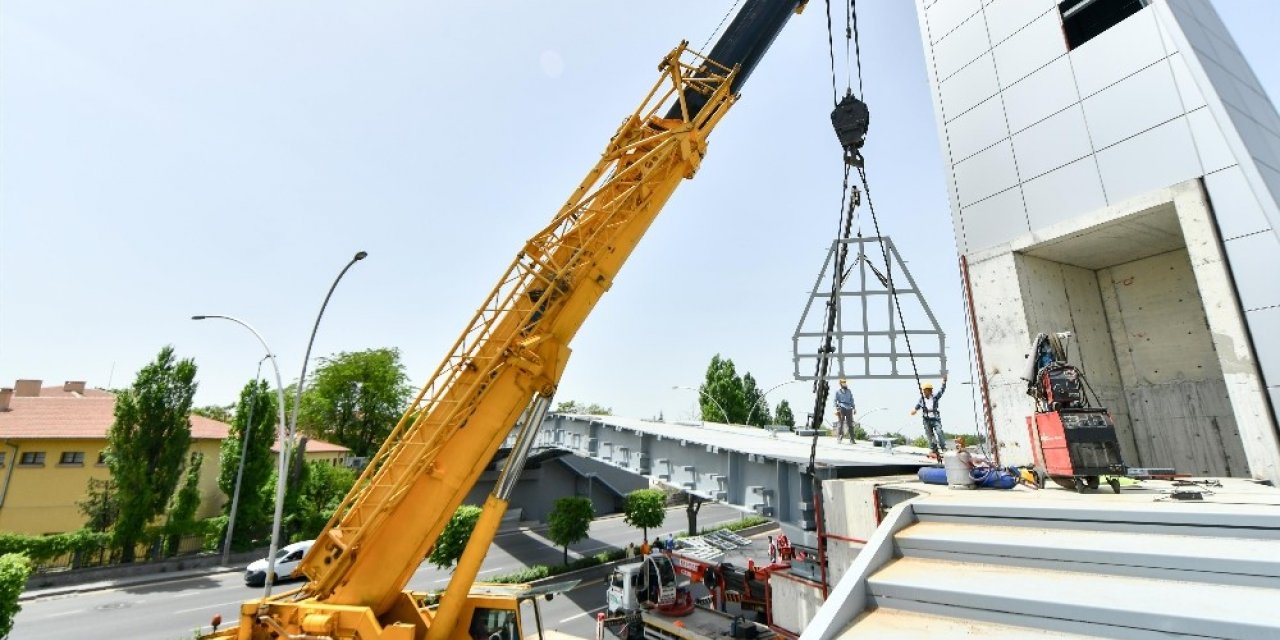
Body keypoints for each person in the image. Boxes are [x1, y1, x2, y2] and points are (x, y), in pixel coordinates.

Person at [911, 373, 949, 453]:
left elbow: (942, 390)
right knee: (930, 434)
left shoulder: (935, 397)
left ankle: (943, 447)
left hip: (935, 418)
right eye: (923, 391)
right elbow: (917, 406)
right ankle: (933, 448)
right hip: (926, 419)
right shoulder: (922, 399)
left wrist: (944, 382)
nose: (924, 392)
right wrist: (914, 410)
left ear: (929, 390)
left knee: (939, 431)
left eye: (926, 390)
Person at [833, 378, 856, 443]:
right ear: (840, 384)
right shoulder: (838, 392)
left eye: (845, 382)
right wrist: (837, 407)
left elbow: (852, 399)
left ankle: (852, 439)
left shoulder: (849, 391)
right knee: (841, 422)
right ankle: (839, 437)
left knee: (850, 423)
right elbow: (835, 400)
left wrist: (854, 408)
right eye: (843, 382)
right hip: (841, 407)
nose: (845, 383)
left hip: (849, 408)